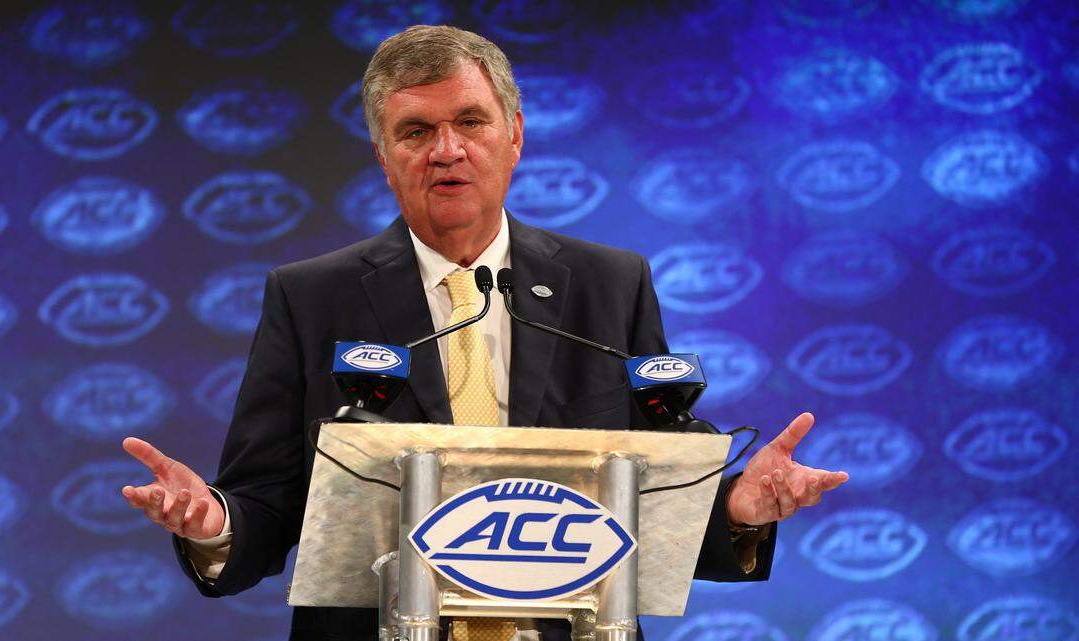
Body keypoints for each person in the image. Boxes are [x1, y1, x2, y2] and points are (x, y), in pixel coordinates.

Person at [121, 25, 848, 641]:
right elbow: (268, 501)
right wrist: (213, 519)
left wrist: (734, 506)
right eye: (416, 130)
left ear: (515, 136)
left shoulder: (609, 285)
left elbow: (657, 487)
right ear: (383, 154)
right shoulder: (312, 298)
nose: (447, 149)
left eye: (470, 121)